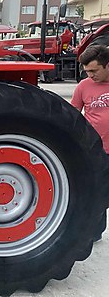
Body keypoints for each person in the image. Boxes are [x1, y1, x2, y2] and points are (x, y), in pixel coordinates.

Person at [71, 44, 109, 242]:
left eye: (94, 71)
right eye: (87, 71)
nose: (90, 75)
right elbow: (73, 116)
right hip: (94, 150)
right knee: (96, 192)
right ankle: (95, 231)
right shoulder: (83, 86)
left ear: (107, 65)